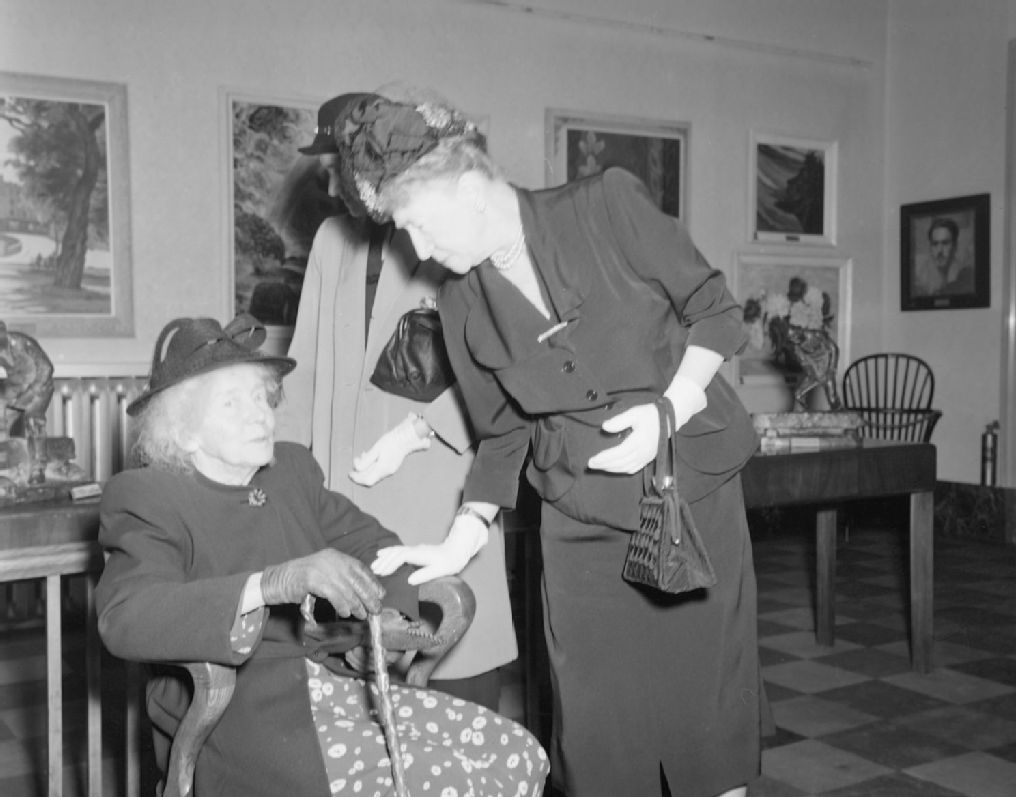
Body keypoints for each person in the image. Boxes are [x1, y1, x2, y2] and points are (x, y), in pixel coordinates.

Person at [333, 89, 763, 797]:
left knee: (704, 722)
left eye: (419, 225)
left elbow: (714, 310)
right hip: (578, 516)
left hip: (688, 497)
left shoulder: (605, 206)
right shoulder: (461, 300)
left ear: (471, 191)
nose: (418, 250)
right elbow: (503, 429)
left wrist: (672, 406)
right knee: (598, 736)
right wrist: (462, 536)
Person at [95, 313, 549, 797]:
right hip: (242, 718)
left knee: (522, 756)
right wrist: (272, 584)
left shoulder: (290, 471)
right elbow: (125, 616)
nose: (259, 415)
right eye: (231, 403)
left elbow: (375, 545)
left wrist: (389, 614)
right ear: (184, 431)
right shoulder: (148, 497)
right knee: (461, 782)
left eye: (260, 397)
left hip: (337, 684)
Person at [274, 92, 517, 711]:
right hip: (343, 498)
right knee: (356, 690)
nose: (331, 181)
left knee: (450, 675)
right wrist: (282, 472)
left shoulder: (445, 233)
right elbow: (303, 369)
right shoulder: (332, 239)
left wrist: (420, 430)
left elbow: (500, 368)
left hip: (437, 488)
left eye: (338, 164)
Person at [916, 217, 975, 296]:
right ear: (930, 247)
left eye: (945, 243)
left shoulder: (962, 276)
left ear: (955, 246)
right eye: (935, 244)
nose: (939, 251)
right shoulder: (919, 274)